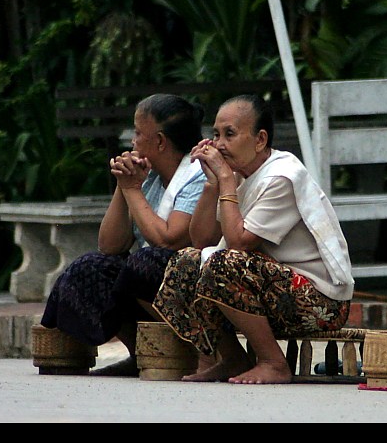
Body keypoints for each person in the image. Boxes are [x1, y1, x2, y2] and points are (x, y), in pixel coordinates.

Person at [153, 94, 354, 384]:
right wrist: (212, 185)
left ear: (260, 140)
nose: (219, 144)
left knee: (225, 263)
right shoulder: (239, 175)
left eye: (230, 135)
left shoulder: (281, 176)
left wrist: (224, 179)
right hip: (273, 287)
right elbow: (201, 240)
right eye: (216, 135)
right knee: (185, 262)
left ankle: (274, 363)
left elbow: (238, 244)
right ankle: (234, 359)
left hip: (319, 301)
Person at [40, 93, 207, 376]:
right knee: (91, 267)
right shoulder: (149, 177)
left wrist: (132, 190)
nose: (132, 142)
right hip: (149, 284)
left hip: (192, 286)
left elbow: (169, 241)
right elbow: (110, 245)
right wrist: (123, 184)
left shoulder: (198, 175)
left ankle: (196, 353)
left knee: (143, 263)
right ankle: (140, 353)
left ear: (160, 142)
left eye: (138, 134)